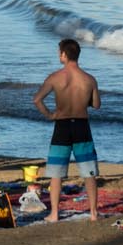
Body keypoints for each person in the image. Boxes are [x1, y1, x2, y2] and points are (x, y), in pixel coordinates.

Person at [33, 37, 100, 222]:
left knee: (56, 172)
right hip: (81, 126)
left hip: (62, 126)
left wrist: (49, 114)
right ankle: (94, 213)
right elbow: (96, 105)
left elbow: (37, 99)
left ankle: (54, 213)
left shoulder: (55, 77)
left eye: (59, 52)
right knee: (89, 172)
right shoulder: (89, 79)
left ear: (63, 54)